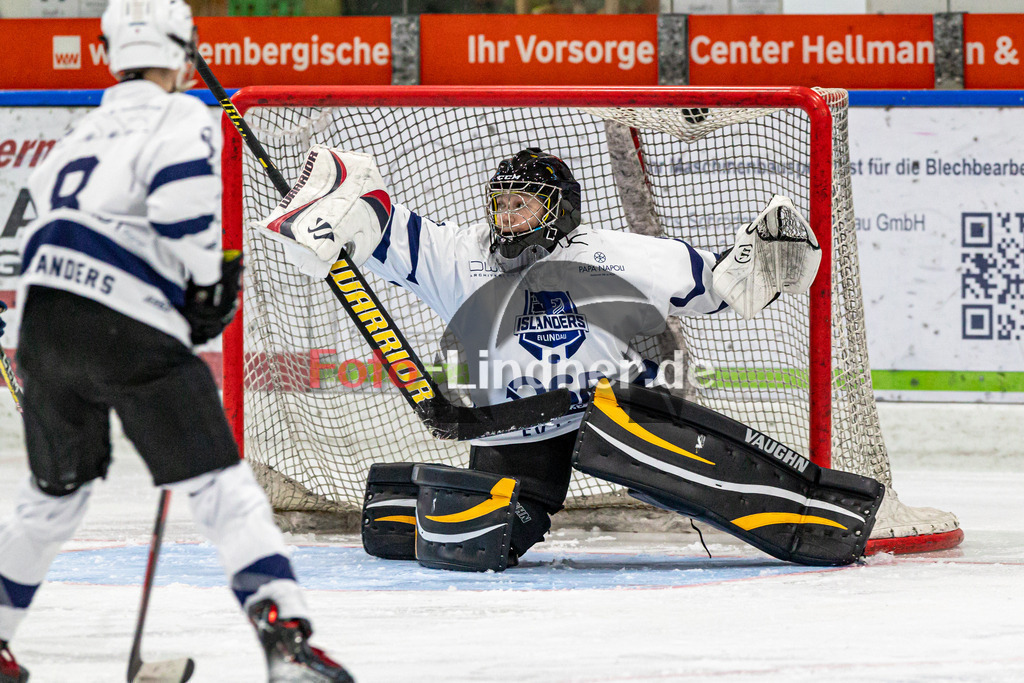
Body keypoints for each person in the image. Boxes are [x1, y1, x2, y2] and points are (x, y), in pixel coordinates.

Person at [257, 145, 827, 571]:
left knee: (680, 471)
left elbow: (716, 284)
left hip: (612, 419)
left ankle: (776, 500)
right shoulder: (464, 256)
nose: (507, 217)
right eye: (500, 204)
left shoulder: (611, 254)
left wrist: (760, 263)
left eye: (522, 204)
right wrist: (338, 215)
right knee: (483, 546)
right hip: (513, 431)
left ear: (558, 210)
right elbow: (382, 223)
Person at [0, 2, 353, 681]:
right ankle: (288, 643)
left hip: (42, 332)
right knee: (223, 490)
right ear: (182, 52)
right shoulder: (184, 115)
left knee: (52, 497)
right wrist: (199, 291)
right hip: (124, 327)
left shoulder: (76, 136)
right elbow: (184, 209)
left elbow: (40, 241)